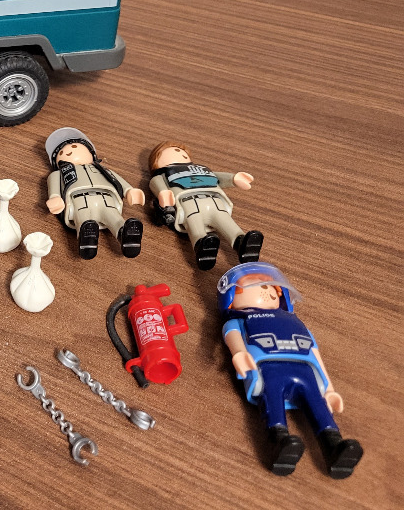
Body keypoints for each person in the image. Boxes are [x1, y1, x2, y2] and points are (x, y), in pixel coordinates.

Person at [218, 263, 363, 478]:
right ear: (231, 298)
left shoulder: (295, 321)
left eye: (269, 288)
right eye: (258, 287)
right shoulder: (237, 322)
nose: (267, 293)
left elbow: (315, 353)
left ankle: (333, 445)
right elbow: (234, 341)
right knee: (272, 399)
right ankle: (278, 441)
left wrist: (329, 388)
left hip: (305, 369)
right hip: (269, 368)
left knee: (317, 403)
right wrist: (239, 355)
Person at [148, 140, 263, 270]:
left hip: (215, 201)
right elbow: (155, 183)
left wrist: (233, 179)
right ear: (156, 161)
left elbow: (217, 177)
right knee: (194, 223)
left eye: (182, 152)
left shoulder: (201, 170)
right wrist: (163, 193)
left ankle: (242, 243)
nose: (181, 154)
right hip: (189, 203)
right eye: (174, 151)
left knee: (225, 221)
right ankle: (202, 245)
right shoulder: (164, 174)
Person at [44, 127, 143, 259]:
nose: (70, 151)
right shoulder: (58, 174)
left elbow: (117, 179)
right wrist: (55, 197)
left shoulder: (103, 169)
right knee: (83, 219)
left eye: (75, 146)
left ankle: (124, 234)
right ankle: (86, 241)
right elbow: (54, 187)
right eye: (62, 152)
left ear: (92, 153)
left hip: (106, 198)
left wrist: (129, 190)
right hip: (78, 201)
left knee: (113, 216)